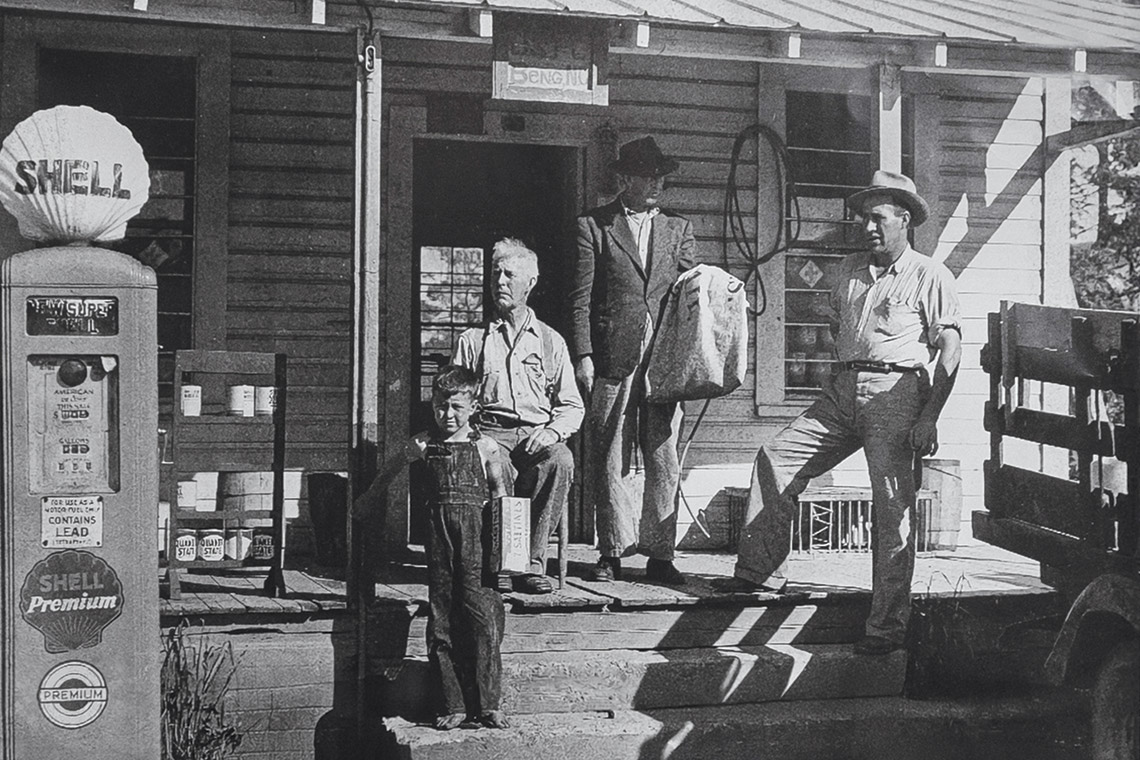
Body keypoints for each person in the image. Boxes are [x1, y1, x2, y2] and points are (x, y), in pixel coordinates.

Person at [713, 170, 963, 656]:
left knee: (892, 508)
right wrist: (845, 376)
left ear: (904, 219)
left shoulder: (930, 275)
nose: (867, 227)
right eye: (863, 218)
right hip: (843, 390)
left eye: (878, 218)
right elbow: (836, 328)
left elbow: (950, 349)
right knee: (776, 457)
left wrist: (929, 416)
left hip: (896, 393)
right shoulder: (847, 270)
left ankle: (885, 628)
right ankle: (759, 575)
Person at [354, 366, 512, 729]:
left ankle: (489, 703)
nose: (448, 414)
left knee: (483, 616)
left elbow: (502, 498)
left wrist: (505, 548)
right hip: (439, 538)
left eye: (457, 407)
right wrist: (370, 498)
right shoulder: (423, 445)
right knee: (442, 617)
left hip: (476, 539)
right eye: (441, 405)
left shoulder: (486, 447)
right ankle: (451, 703)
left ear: (473, 406)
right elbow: (391, 468)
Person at [568, 136, 695, 585]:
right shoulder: (594, 226)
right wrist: (584, 354)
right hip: (611, 356)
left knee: (663, 456)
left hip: (663, 361)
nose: (656, 183)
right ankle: (612, 551)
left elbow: (692, 295)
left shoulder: (679, 228)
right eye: (647, 175)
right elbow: (580, 298)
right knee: (609, 454)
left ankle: (660, 554)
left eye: (661, 176)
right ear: (625, 179)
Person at [453, 238, 584, 595]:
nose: (500, 281)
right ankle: (500, 564)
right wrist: (475, 437)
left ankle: (530, 565)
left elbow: (572, 405)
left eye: (509, 275)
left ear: (531, 282)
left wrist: (552, 432)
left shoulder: (551, 341)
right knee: (495, 465)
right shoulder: (472, 340)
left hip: (534, 435)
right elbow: (454, 400)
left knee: (559, 460)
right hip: (489, 434)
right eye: (495, 274)